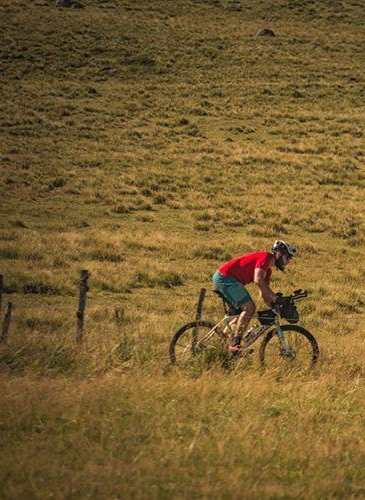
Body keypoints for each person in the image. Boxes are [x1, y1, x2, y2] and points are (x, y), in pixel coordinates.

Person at [212, 240, 297, 354]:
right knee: (250, 308)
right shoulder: (265, 257)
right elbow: (258, 280)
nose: (288, 262)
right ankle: (235, 344)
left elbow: (263, 292)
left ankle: (226, 345)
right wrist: (276, 298)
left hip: (225, 278)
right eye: (287, 258)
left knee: (240, 314)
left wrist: (275, 307)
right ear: (279, 254)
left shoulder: (267, 270)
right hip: (225, 278)